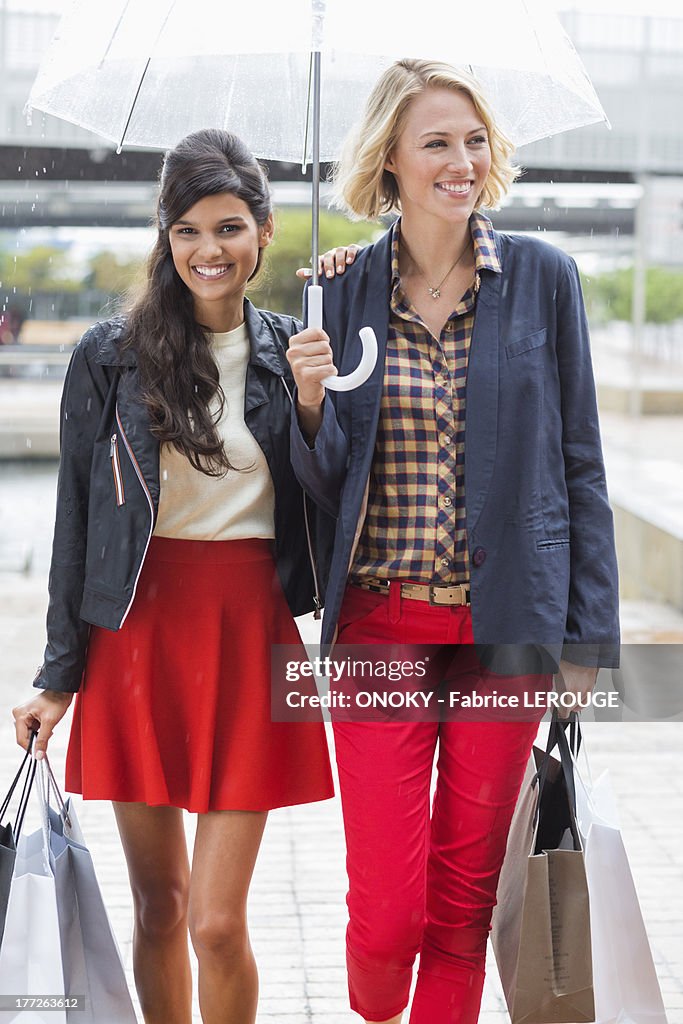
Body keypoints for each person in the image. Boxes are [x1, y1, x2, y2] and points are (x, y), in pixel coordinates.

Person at [286, 59, 620, 1024]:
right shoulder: (335, 294)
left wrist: (584, 646)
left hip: (507, 624)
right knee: (389, 909)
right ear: (388, 159)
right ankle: (374, 1007)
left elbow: (581, 468)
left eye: (472, 140)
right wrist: (308, 406)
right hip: (377, 624)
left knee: (465, 901)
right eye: (436, 142)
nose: (460, 161)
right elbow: (317, 485)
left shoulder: (544, 281)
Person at [11, 128, 336, 1024]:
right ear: (165, 237)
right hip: (137, 633)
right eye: (187, 230)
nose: (208, 250)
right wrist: (56, 675)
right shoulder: (109, 355)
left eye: (229, 227)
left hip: (249, 630)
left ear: (264, 232)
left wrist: (311, 409)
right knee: (160, 907)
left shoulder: (296, 352)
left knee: (217, 924)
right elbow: (73, 524)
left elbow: (334, 508)